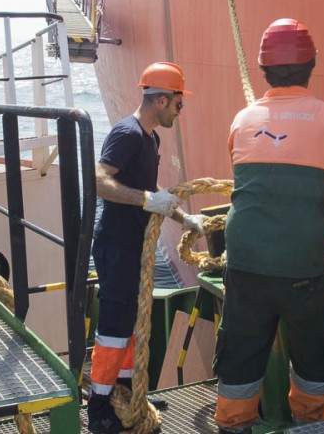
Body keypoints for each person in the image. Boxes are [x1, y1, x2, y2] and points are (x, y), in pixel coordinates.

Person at [212, 19, 324, 434]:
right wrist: (319, 178)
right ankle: (310, 423)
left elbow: (252, 178)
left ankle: (232, 426)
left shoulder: (244, 119)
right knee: (312, 355)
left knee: (241, 353)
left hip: (245, 264)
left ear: (262, 71)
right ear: (311, 64)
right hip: (304, 269)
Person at [87, 62, 206, 434]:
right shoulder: (128, 134)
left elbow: (151, 196)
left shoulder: (151, 139)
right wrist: (146, 200)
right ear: (162, 101)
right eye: (179, 105)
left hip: (135, 248)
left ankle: (128, 393)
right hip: (117, 248)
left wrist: (184, 219)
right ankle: (98, 407)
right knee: (112, 330)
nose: (180, 112)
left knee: (130, 326)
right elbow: (99, 181)